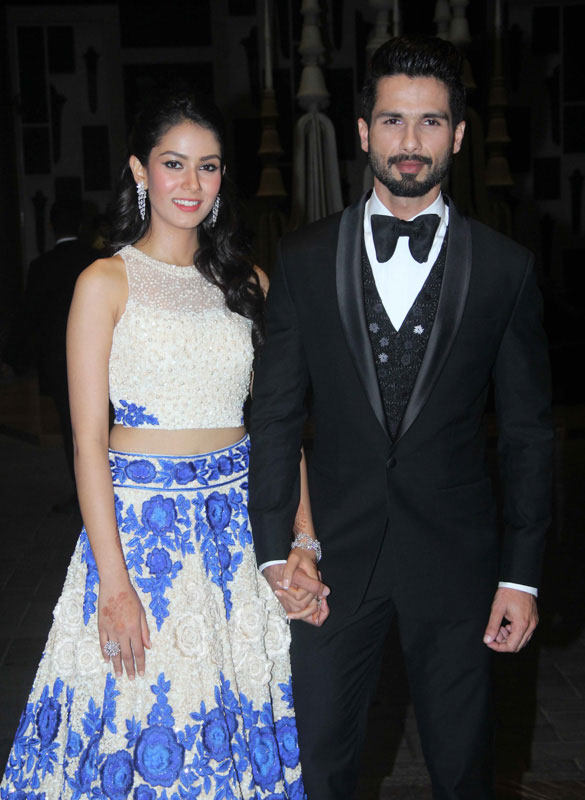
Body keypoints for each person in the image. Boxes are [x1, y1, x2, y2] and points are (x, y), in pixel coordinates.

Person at [248, 36, 553, 800]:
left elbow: (526, 435)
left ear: (457, 135)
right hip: (329, 564)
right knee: (318, 764)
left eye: (429, 122)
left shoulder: (505, 268)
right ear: (362, 131)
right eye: (392, 120)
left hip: (457, 561)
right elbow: (276, 416)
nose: (409, 141)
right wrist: (277, 551)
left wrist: (520, 575)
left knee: (463, 771)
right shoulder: (303, 258)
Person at [1, 90, 325, 799]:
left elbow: (277, 429)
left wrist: (304, 539)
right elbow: (88, 443)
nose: (191, 182)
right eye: (173, 163)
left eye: (208, 166)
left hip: (235, 535)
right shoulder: (104, 282)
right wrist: (113, 585)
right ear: (139, 170)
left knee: (240, 732)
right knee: (144, 727)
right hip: (142, 542)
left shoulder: (249, 284)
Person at [2, 201, 98, 508]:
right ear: (81, 226)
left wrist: (11, 357)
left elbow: (28, 316)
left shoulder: (42, 266)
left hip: (60, 361)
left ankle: (83, 494)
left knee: (74, 428)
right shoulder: (97, 260)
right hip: (102, 356)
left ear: (52, 226)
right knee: (104, 424)